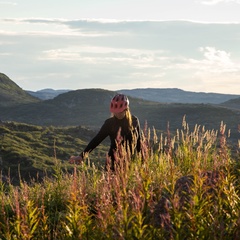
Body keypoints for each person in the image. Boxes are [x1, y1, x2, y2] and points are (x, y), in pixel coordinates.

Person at [68, 94, 141, 170]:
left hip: (130, 163)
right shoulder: (109, 123)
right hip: (112, 163)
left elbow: (139, 141)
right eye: (115, 112)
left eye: (119, 112)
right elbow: (97, 139)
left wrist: (143, 162)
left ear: (126, 109)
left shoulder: (134, 121)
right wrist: (82, 156)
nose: (117, 114)